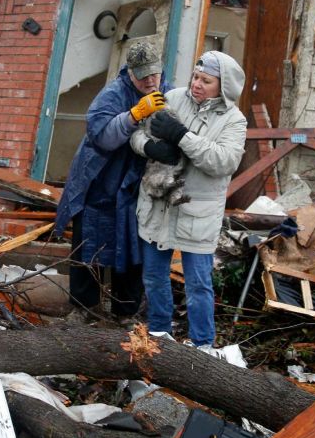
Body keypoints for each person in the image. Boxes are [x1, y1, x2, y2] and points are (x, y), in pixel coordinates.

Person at [131, 51, 247, 348]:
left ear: (222, 86)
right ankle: (159, 337)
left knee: (198, 284)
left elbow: (224, 161)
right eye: (195, 77)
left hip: (197, 213)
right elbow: (137, 136)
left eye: (206, 81)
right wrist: (150, 148)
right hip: (160, 205)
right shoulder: (173, 97)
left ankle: (202, 346)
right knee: (155, 277)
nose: (196, 84)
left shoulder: (234, 120)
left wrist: (182, 136)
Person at [53, 41, 172, 322]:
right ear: (130, 72)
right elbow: (102, 136)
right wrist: (134, 115)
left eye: (154, 74)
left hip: (136, 186)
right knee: (88, 244)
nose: (150, 80)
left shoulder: (167, 92)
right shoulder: (112, 94)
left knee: (131, 246)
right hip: (99, 181)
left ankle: (126, 311)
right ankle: (83, 308)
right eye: (143, 75)